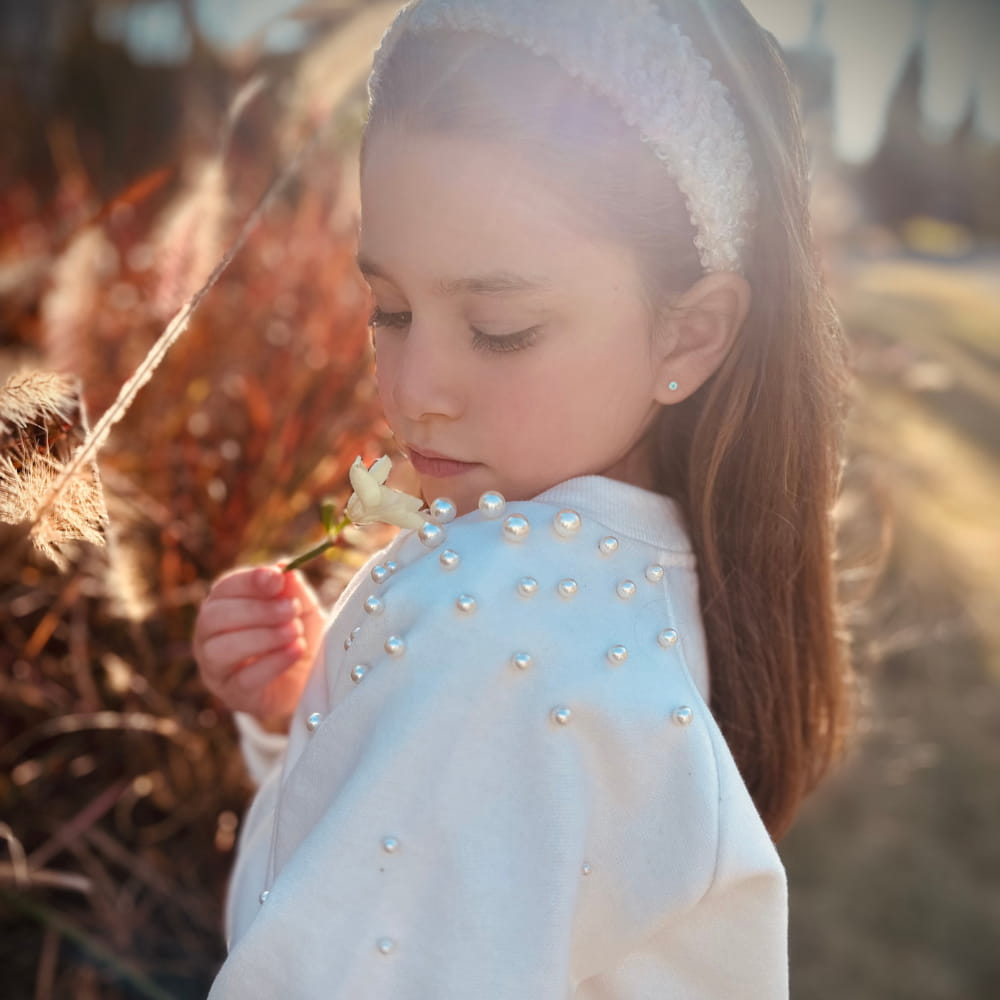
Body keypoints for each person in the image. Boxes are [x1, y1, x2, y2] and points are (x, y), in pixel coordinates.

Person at [193, 0, 853, 996]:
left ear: (687, 334)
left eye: (499, 327)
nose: (414, 390)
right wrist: (314, 709)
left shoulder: (504, 621)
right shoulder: (655, 575)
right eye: (389, 308)